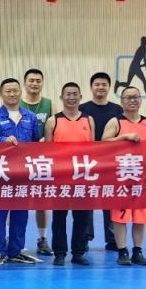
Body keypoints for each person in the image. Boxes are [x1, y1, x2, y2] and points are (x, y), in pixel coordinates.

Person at [0, 78, 41, 265]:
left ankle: (16, 250)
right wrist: (3, 141)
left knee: (21, 213)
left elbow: (36, 142)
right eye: (8, 91)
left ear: (20, 92)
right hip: (1, 172)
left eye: (15, 90)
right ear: (1, 94)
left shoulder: (30, 117)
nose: (12, 94)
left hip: (23, 173)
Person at [102, 86, 146, 266]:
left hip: (143, 178)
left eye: (136, 97)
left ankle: (137, 251)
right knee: (121, 217)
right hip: (121, 177)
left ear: (141, 99)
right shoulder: (115, 122)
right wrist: (124, 137)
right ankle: (122, 251)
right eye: (128, 97)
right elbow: (103, 144)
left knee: (141, 216)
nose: (132, 100)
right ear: (122, 101)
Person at [43, 82, 93, 266]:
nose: (71, 97)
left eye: (75, 94)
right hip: (60, 178)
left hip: (82, 176)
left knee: (82, 217)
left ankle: (78, 252)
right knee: (59, 217)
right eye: (68, 94)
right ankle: (60, 253)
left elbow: (94, 149)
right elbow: (47, 152)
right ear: (61, 97)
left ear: (80, 97)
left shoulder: (88, 120)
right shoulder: (53, 121)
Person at [79, 72, 123, 251]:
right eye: (97, 84)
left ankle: (112, 238)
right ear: (91, 87)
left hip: (110, 161)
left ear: (109, 87)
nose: (100, 87)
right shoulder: (82, 109)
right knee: (86, 200)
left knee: (110, 198)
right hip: (87, 161)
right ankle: (84, 237)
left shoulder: (117, 110)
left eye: (104, 84)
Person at [20, 68, 56, 256]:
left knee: (42, 202)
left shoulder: (49, 104)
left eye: (38, 80)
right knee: (17, 201)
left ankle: (42, 239)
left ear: (42, 83)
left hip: (42, 161)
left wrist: (46, 140)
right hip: (20, 161)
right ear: (25, 83)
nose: (34, 83)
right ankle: (13, 238)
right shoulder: (17, 103)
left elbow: (56, 128)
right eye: (31, 80)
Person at [114, 36, 146, 108]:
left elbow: (141, 61)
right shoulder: (142, 49)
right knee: (144, 82)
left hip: (134, 66)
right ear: (142, 42)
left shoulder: (143, 48)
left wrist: (145, 65)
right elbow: (144, 60)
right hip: (135, 66)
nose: (144, 43)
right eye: (143, 41)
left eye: (144, 42)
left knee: (128, 83)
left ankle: (118, 84)